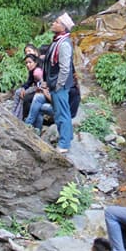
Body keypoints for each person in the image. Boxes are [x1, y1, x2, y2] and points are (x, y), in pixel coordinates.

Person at [44, 13, 77, 152]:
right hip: (55, 83)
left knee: (61, 113)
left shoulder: (63, 44)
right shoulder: (58, 40)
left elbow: (64, 68)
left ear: (63, 27)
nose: (53, 23)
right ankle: (67, 137)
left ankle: (64, 144)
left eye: (56, 22)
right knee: (62, 111)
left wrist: (58, 85)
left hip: (59, 85)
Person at [13, 53, 44, 119]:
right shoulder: (32, 70)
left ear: (35, 63)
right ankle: (14, 112)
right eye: (26, 63)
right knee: (18, 92)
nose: (28, 65)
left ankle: (19, 116)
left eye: (30, 62)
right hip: (36, 88)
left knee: (23, 97)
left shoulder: (37, 72)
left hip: (41, 90)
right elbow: (29, 81)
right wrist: (23, 88)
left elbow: (42, 84)